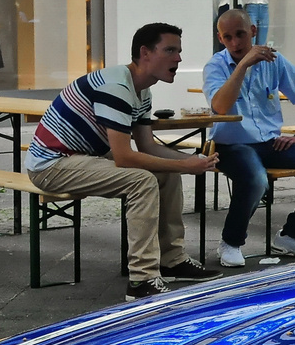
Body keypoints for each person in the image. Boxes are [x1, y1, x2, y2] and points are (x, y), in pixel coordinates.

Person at [25, 22, 219, 302]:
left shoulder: (142, 90)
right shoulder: (116, 87)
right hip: (51, 164)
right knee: (142, 180)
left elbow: (148, 146)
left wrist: (191, 160)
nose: (178, 58)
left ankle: (171, 260)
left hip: (80, 156)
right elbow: (124, 157)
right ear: (145, 52)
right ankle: (141, 280)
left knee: (165, 175)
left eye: (179, 51)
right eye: (170, 50)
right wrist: (187, 165)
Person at [204, 8, 295, 267]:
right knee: (256, 180)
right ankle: (231, 242)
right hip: (231, 144)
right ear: (220, 39)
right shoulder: (216, 65)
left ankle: (293, 236)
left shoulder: (273, 60)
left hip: (270, 142)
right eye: (228, 37)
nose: (235, 42)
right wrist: (243, 65)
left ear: (253, 32)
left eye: (240, 34)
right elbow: (220, 107)